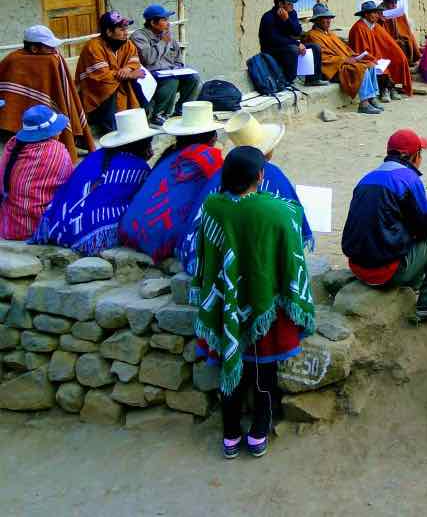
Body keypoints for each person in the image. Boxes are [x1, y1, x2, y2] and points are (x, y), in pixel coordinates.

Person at [192, 146, 315, 460]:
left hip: (226, 303)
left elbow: (205, 254)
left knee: (229, 361)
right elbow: (294, 236)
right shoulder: (276, 211)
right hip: (262, 308)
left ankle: (230, 434)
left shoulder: (212, 207)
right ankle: (259, 430)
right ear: (260, 176)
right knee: (263, 370)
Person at [341, 129, 427, 321]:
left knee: (408, 229)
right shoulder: (408, 179)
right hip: (385, 273)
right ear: (414, 156)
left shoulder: (366, 178)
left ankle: (414, 282)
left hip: (358, 268)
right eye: (420, 153)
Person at [178, 111, 314, 274]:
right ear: (260, 175)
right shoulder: (273, 175)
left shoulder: (219, 177)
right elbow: (293, 217)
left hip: (215, 257)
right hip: (256, 260)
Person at [32, 108, 159, 254]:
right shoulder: (138, 168)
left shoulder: (94, 156)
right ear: (142, 145)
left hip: (58, 225)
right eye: (148, 144)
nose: (151, 150)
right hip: (89, 233)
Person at [118, 101, 224, 262]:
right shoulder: (207, 156)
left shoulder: (172, 153)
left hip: (131, 228)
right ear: (212, 136)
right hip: (158, 238)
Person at [0, 25, 93, 162]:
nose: (54, 50)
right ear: (34, 49)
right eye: (49, 47)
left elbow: (58, 93)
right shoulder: (13, 60)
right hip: (16, 124)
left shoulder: (52, 59)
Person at [0, 103, 75, 240]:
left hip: (10, 225)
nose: (60, 131)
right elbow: (70, 187)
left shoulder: (12, 143)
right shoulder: (57, 151)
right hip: (38, 226)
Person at [76, 11, 146, 136]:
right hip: (95, 93)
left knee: (141, 82)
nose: (126, 33)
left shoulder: (127, 44)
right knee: (108, 88)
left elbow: (134, 62)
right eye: (121, 29)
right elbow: (102, 77)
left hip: (118, 85)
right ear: (109, 32)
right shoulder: (93, 47)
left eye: (126, 29)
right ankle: (111, 131)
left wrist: (128, 69)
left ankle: (140, 123)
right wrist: (130, 74)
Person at [303, 3, 382, 115]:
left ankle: (372, 98)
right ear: (317, 20)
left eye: (329, 18)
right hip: (333, 69)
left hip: (345, 62)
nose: (329, 21)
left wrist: (355, 56)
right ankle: (364, 104)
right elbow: (324, 58)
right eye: (325, 18)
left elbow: (345, 49)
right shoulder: (312, 35)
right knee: (361, 69)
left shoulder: (330, 34)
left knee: (370, 64)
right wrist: (344, 60)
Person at [131, 4, 201, 127]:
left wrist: (178, 68)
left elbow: (178, 59)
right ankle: (159, 114)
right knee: (171, 80)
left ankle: (181, 111)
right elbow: (148, 59)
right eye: (164, 20)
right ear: (153, 22)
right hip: (149, 76)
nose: (168, 23)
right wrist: (163, 42)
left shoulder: (167, 35)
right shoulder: (139, 36)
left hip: (170, 73)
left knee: (194, 78)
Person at [348, 1, 412, 101]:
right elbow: (361, 51)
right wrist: (375, 59)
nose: (377, 15)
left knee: (398, 58)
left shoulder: (375, 26)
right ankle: (385, 89)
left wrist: (398, 55)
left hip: (377, 55)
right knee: (377, 66)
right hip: (365, 58)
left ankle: (391, 87)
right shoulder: (358, 28)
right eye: (374, 13)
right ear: (366, 14)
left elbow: (389, 44)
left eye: (377, 13)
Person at [258, 0, 320, 85]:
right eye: (289, 3)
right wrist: (297, 44)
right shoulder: (268, 17)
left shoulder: (292, 13)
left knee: (315, 47)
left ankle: (313, 79)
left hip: (288, 45)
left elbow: (297, 32)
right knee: (293, 49)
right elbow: (275, 39)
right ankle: (289, 80)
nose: (292, 5)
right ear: (280, 4)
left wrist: (287, 20)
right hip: (271, 50)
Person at [378, 0, 421, 64]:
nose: (394, 5)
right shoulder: (378, 13)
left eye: (395, 2)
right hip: (386, 40)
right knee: (398, 43)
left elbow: (405, 28)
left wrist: (404, 35)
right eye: (391, 3)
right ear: (385, 2)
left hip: (399, 36)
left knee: (409, 37)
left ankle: (411, 60)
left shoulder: (398, 12)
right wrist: (381, 20)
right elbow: (380, 33)